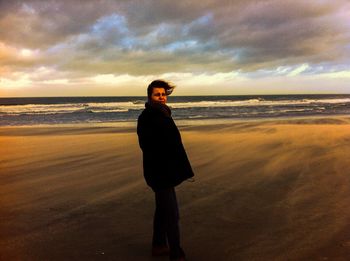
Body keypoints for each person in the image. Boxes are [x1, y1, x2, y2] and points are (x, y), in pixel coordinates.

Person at [137, 80, 194, 261]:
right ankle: (176, 254)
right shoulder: (148, 116)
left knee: (163, 210)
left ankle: (159, 245)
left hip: (165, 170)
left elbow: (173, 144)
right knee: (172, 214)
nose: (161, 97)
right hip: (159, 172)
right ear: (149, 96)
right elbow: (147, 145)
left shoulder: (163, 113)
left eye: (163, 94)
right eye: (157, 94)